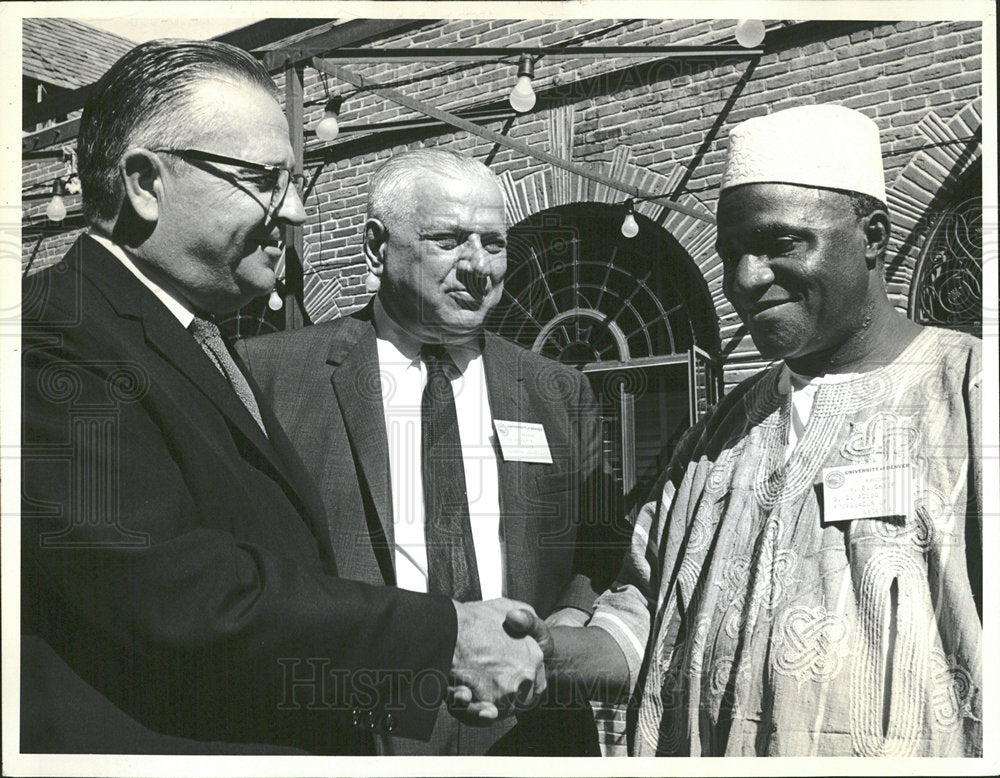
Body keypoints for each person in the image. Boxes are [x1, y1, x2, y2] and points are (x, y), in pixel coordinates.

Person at [20, 40, 546, 755]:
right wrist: (443, 638)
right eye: (265, 180)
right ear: (145, 183)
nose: (294, 209)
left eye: (294, 181)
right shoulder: (52, 334)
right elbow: (182, 594)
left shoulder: (189, 338)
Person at [503, 103, 983, 757]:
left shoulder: (971, 393)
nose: (744, 280)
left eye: (781, 244)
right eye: (731, 255)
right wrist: (544, 650)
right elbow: (638, 623)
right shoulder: (710, 443)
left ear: (873, 236)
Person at [236, 148, 627, 755]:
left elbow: (600, 542)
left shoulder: (558, 389)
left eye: (493, 244)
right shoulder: (274, 379)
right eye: (448, 240)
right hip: (357, 732)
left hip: (531, 731)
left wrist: (565, 626)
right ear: (375, 248)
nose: (479, 267)